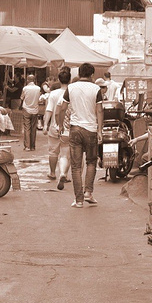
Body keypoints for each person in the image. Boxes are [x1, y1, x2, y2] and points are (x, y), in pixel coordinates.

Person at [58, 63, 103, 208]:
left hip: (75, 129)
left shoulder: (71, 88)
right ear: (92, 74)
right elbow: (100, 110)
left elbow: (63, 108)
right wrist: (100, 130)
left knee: (76, 166)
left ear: (79, 73)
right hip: (91, 129)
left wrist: (60, 125)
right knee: (91, 162)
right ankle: (88, 192)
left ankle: (78, 200)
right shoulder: (96, 89)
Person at [43, 69, 71, 181]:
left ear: (59, 80)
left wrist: (45, 125)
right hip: (68, 128)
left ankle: (52, 172)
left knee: (53, 152)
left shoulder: (53, 94)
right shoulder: (72, 93)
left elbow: (49, 110)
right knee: (66, 154)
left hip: (55, 127)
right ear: (69, 80)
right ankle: (64, 174)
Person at [20, 74, 41, 151]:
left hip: (26, 109)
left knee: (27, 128)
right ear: (34, 80)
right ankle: (32, 146)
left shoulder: (25, 88)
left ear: (28, 80)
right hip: (35, 110)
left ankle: (27, 146)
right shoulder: (38, 88)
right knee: (33, 128)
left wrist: (20, 106)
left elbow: (22, 98)